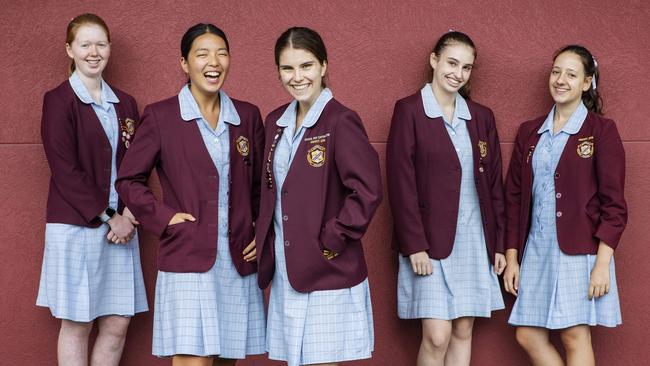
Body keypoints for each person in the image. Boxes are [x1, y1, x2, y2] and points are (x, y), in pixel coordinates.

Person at [115, 23, 266, 366]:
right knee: (192, 361)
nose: (214, 62)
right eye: (202, 54)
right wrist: (166, 218)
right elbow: (128, 180)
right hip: (188, 256)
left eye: (222, 53)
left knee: (228, 360)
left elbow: (260, 187)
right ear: (184, 63)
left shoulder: (247, 116)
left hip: (238, 260)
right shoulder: (161, 116)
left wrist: (262, 231)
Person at [254, 27, 382, 366]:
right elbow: (269, 189)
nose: (297, 77)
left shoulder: (341, 120)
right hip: (287, 269)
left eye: (306, 66)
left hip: (328, 268)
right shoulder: (275, 123)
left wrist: (331, 240)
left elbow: (367, 190)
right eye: (287, 68)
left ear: (324, 66)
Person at [386, 31, 506, 366]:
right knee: (437, 336)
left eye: (466, 67)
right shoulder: (409, 110)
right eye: (452, 62)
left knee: (463, 330)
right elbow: (400, 183)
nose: (458, 73)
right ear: (434, 60)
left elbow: (494, 185)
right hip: (429, 243)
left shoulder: (481, 117)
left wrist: (497, 244)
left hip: (473, 240)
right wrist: (414, 245)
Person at [503, 45, 626, 366]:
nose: (560, 80)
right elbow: (514, 197)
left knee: (574, 335)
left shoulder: (601, 131)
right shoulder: (530, 132)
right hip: (537, 251)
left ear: (587, 83)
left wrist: (602, 265)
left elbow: (614, 205)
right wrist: (513, 256)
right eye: (556, 71)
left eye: (571, 74)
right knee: (527, 334)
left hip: (581, 252)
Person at [37, 13, 147, 366]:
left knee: (117, 321)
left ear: (110, 48)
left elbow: (137, 165)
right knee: (78, 321)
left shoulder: (125, 104)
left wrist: (130, 212)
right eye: (85, 44)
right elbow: (64, 170)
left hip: (122, 230)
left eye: (100, 44)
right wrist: (110, 216)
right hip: (78, 227)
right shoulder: (59, 100)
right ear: (70, 50)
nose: (94, 52)